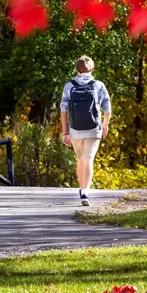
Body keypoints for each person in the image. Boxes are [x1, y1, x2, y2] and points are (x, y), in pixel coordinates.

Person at [60, 55, 112, 206]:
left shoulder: (69, 86)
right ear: (92, 69)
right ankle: (85, 192)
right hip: (94, 128)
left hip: (75, 130)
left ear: (77, 69)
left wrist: (65, 133)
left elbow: (63, 110)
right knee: (88, 159)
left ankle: (82, 190)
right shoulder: (98, 85)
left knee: (81, 159)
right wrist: (105, 124)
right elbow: (107, 107)